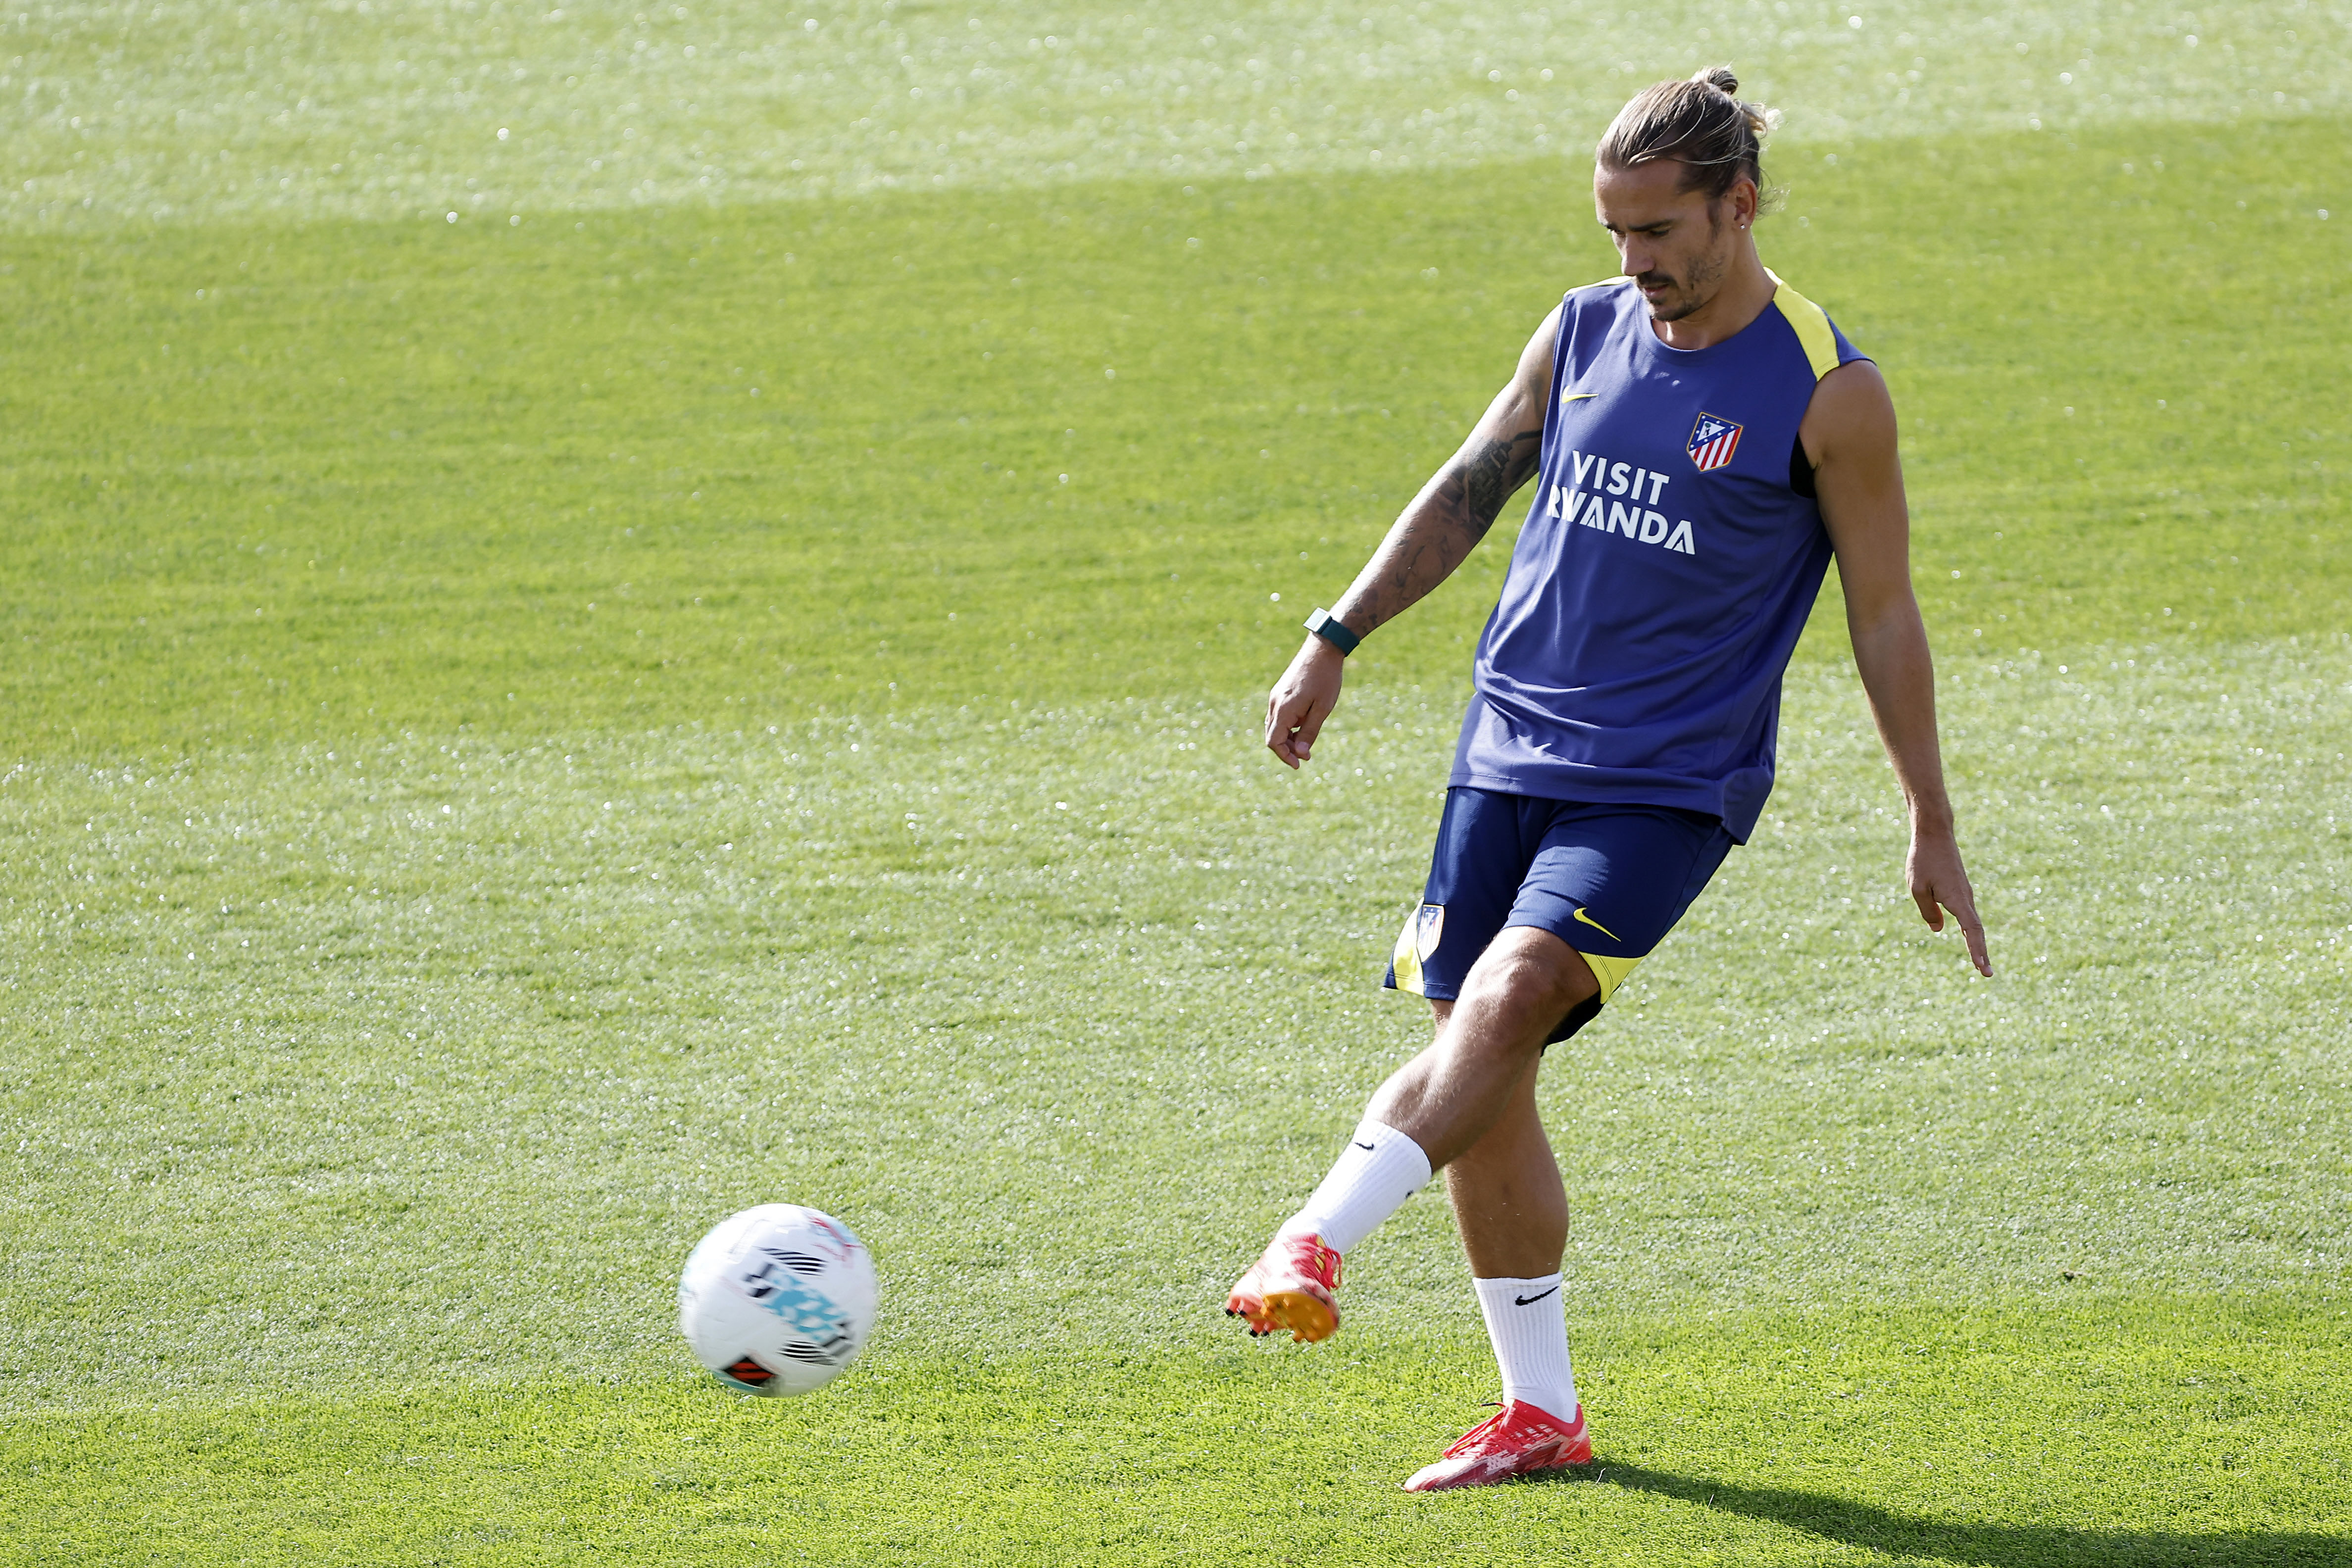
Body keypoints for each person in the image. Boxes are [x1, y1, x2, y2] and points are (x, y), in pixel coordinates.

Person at [1223, 66, 1992, 1492]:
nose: (1635, 264)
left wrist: (1929, 816)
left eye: (1659, 232)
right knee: (1484, 1071)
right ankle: (1541, 1413)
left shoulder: (1828, 392)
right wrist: (1336, 635)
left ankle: (1314, 1238)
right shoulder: (1583, 330)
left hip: (1668, 781)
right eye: (1615, 233)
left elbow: (1884, 615)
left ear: (1739, 204)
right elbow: (1468, 488)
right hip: (1505, 751)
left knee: (1515, 994)